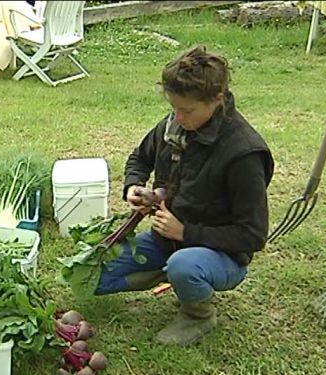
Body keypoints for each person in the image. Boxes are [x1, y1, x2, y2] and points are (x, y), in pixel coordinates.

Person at [95, 46, 274, 346]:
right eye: (173, 107)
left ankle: (198, 314)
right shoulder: (174, 125)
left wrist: (186, 231)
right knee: (97, 272)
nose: (177, 118)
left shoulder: (243, 153)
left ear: (217, 100)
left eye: (187, 111)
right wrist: (133, 187)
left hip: (221, 255)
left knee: (185, 266)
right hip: (167, 240)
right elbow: (139, 158)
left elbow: (253, 236)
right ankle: (164, 271)